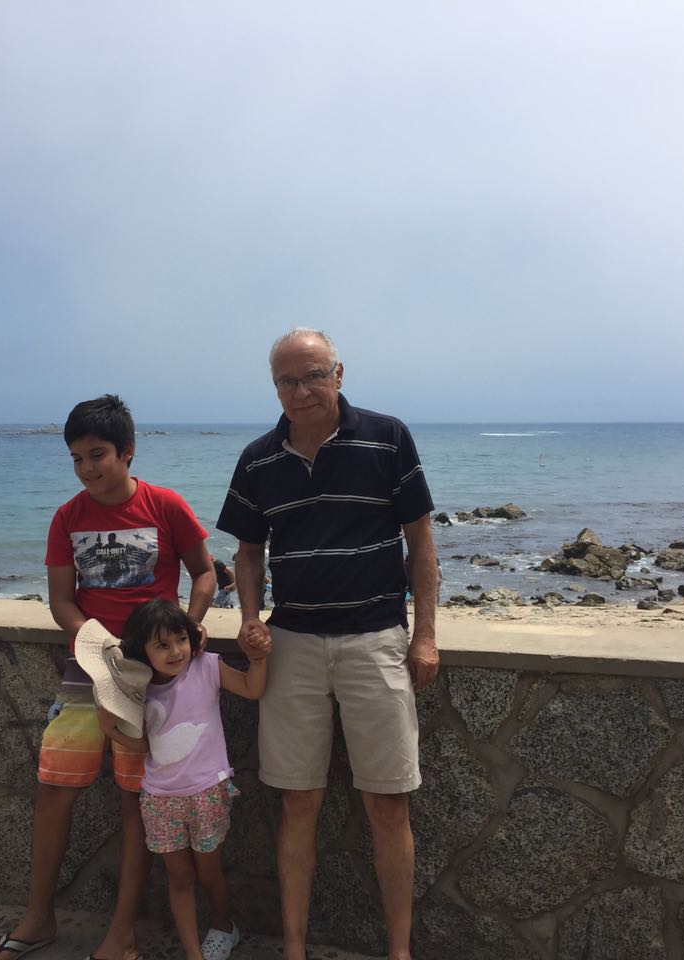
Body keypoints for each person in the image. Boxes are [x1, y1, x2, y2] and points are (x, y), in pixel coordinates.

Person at [216, 328, 439, 960]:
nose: (302, 390)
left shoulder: (388, 437)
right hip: (292, 645)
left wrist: (425, 635)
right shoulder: (258, 459)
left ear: (339, 374)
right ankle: (294, 949)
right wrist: (250, 617)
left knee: (388, 805)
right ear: (275, 388)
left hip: (377, 640)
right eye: (287, 380)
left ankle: (399, 952)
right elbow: (249, 553)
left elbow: (420, 544)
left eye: (313, 375)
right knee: (297, 803)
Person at [0, 394, 216, 960]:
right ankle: (39, 918)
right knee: (55, 787)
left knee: (135, 801)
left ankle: (122, 935)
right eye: (77, 458)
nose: (87, 468)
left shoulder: (165, 505)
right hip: (88, 673)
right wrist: (96, 642)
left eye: (97, 455)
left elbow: (204, 573)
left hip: (152, 678)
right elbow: (62, 601)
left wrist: (188, 625)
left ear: (127, 451)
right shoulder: (68, 517)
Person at [98, 598, 269, 960]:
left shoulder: (207, 666)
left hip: (208, 792)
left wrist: (257, 661)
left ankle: (224, 925)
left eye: (181, 639)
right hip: (159, 798)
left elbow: (252, 689)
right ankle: (193, 953)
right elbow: (145, 742)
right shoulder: (138, 690)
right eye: (162, 645)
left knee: (209, 873)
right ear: (141, 651)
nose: (176, 651)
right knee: (178, 877)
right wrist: (110, 726)